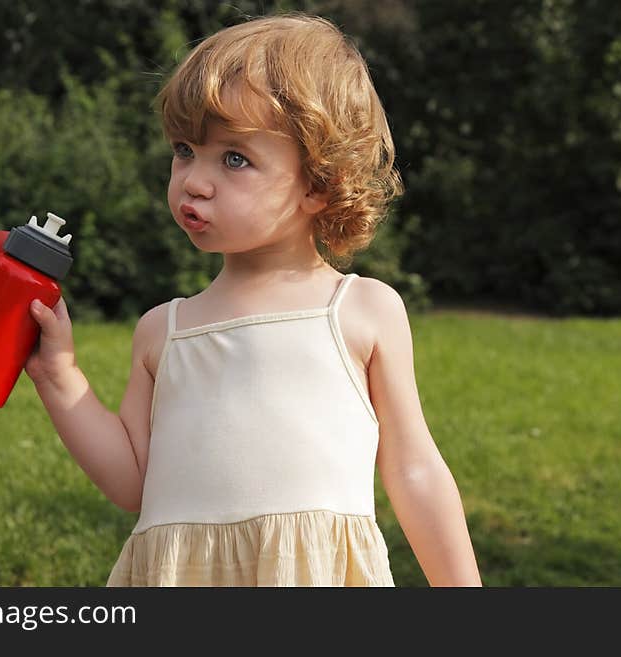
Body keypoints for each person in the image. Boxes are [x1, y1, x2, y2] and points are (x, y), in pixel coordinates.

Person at [26, 13, 482, 587]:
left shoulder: (359, 311)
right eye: (185, 149)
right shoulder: (163, 330)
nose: (194, 179)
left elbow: (414, 469)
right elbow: (133, 484)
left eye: (234, 159)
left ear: (318, 184)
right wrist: (60, 375)